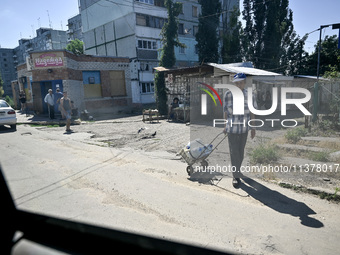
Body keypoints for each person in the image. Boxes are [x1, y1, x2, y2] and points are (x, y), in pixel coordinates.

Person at [224, 73, 256, 188]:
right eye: (236, 83)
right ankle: (235, 176)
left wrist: (253, 127)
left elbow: (252, 112)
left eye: (241, 83)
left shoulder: (250, 95)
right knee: (234, 152)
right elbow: (226, 112)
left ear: (244, 83)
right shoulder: (228, 94)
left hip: (244, 129)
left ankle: (238, 170)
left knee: (241, 152)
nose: (238, 85)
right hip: (232, 129)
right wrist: (225, 126)